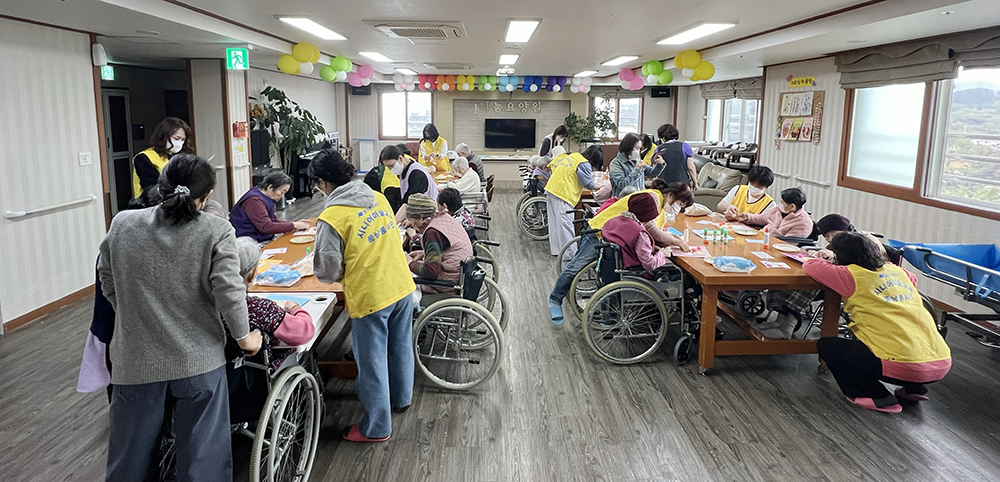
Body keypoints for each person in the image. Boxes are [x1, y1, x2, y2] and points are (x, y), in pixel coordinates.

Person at [99, 153, 261, 481]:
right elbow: (229, 291)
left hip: (135, 360)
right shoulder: (217, 229)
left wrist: (135, 312)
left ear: (161, 187)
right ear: (207, 195)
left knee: (130, 460)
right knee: (203, 461)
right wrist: (245, 338)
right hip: (198, 361)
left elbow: (106, 279)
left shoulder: (123, 223)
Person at [308, 148, 416, 443]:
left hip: (372, 295)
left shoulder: (332, 216)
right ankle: (401, 398)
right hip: (401, 283)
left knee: (371, 363)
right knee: (400, 346)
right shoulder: (377, 197)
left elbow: (327, 270)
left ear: (322, 182)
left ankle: (377, 428)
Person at [805, 232, 951, 413]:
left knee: (827, 346)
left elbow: (810, 266)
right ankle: (914, 388)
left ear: (841, 255)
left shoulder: (850, 275)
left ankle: (876, 396)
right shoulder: (899, 272)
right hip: (941, 363)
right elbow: (912, 278)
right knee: (906, 338)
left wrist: (825, 257)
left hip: (901, 366)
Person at [548, 180, 693, 323]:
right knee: (576, 267)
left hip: (613, 234)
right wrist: (672, 240)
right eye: (680, 204)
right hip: (600, 232)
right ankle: (555, 299)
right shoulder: (653, 199)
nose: (678, 209)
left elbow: (650, 228)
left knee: (606, 276)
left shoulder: (658, 200)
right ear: (671, 195)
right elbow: (649, 226)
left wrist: (671, 238)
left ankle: (607, 316)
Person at [544, 145, 604, 260]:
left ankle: (557, 251)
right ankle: (570, 255)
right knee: (565, 225)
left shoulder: (574, 156)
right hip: (563, 194)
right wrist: (603, 187)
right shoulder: (583, 163)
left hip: (551, 190)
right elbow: (589, 184)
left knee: (555, 224)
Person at [404, 193, 474, 292]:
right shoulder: (443, 219)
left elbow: (431, 271)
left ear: (420, 218)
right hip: (462, 275)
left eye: (410, 219)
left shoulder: (432, 232)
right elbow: (449, 249)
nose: (410, 222)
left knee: (404, 282)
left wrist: (410, 263)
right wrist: (424, 253)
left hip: (449, 282)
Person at [230, 172, 311, 243]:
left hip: (261, 239)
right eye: (282, 192)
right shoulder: (254, 201)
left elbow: (272, 220)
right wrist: (293, 225)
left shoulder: (264, 196)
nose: (282, 196)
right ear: (270, 187)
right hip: (250, 242)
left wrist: (294, 225)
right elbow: (266, 227)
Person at [601, 193, 672, 272]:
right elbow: (649, 264)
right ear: (648, 216)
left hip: (609, 268)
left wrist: (653, 248)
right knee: (675, 272)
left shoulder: (613, 221)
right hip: (633, 273)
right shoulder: (639, 233)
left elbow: (627, 244)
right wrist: (662, 254)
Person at [131, 117, 193, 199]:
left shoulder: (179, 157)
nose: (179, 143)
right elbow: (151, 187)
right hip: (150, 204)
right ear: (164, 136)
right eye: (176, 138)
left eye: (183, 140)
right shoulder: (144, 158)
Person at [380, 145, 437, 223]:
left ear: (400, 158)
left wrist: (392, 224)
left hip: (428, 217)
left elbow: (409, 202)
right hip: (418, 215)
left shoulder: (417, 173)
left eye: (391, 166)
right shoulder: (403, 170)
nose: (390, 169)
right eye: (388, 167)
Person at [815, 214, 899, 263]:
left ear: (845, 230)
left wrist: (833, 256)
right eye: (826, 236)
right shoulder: (840, 241)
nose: (830, 239)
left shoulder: (862, 241)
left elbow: (862, 262)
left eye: (833, 234)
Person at [737, 187, 812, 238]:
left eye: (782, 202)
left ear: (792, 206)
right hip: (762, 238)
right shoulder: (779, 209)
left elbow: (788, 244)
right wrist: (747, 217)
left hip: (774, 245)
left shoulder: (803, 223)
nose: (779, 204)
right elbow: (763, 218)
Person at [608, 133, 659, 197]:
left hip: (640, 198)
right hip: (624, 200)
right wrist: (637, 170)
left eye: (640, 148)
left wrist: (660, 164)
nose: (639, 151)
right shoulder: (616, 164)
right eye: (637, 148)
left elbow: (653, 173)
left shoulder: (637, 160)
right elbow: (622, 184)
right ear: (628, 147)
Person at [649, 124, 697, 189]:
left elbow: (655, 169)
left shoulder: (658, 149)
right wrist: (695, 183)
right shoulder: (685, 146)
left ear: (663, 137)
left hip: (664, 184)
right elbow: (691, 167)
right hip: (682, 183)